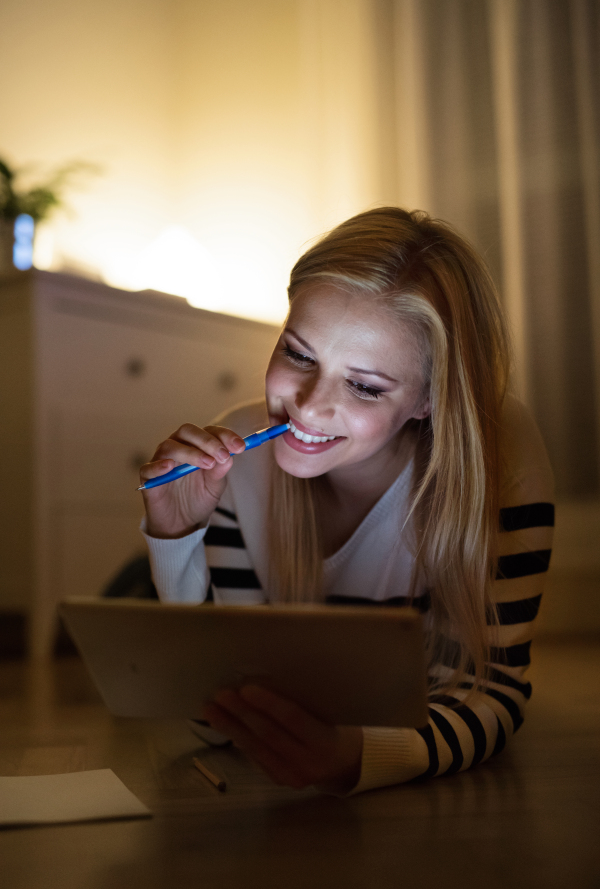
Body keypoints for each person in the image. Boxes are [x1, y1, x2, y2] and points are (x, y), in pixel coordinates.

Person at [140, 207, 554, 795]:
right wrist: (176, 546)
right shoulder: (234, 464)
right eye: (299, 355)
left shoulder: (500, 456)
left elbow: (493, 693)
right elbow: (215, 720)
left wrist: (360, 757)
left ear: (429, 399)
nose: (307, 406)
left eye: (363, 385)